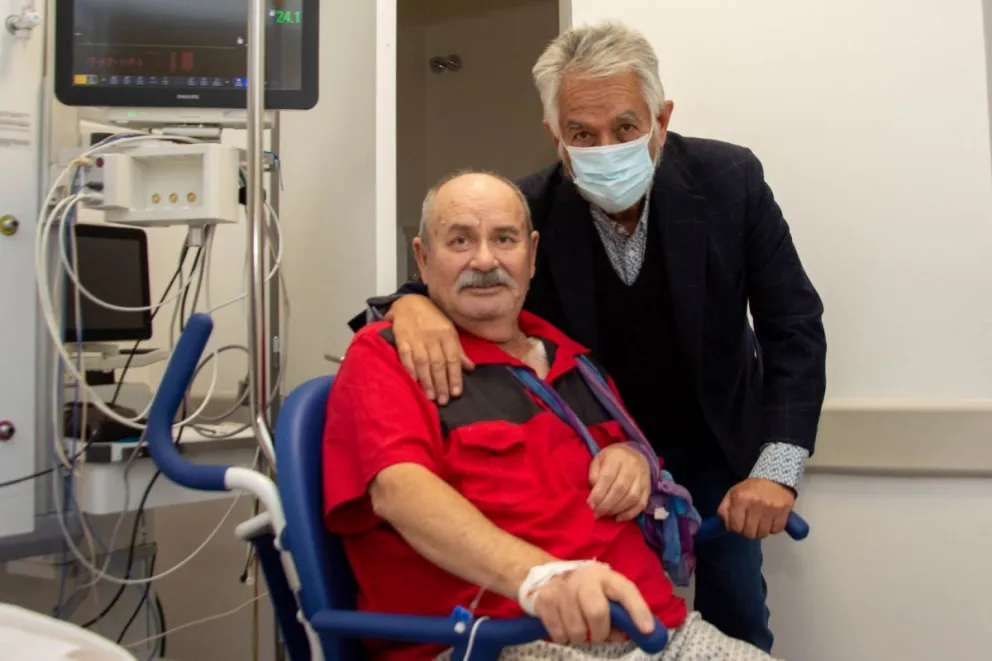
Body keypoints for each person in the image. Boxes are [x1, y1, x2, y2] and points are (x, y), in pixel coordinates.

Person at [348, 22, 826, 652]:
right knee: (595, 620)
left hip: (715, 440)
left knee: (734, 616)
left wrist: (777, 470)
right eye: (582, 134)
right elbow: (457, 274)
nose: (606, 147)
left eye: (626, 128)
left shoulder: (728, 180)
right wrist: (406, 308)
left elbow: (793, 326)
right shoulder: (529, 210)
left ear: (662, 117)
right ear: (556, 136)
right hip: (596, 455)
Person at [325, 171, 785, 661]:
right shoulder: (387, 357)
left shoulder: (576, 363)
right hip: (504, 641)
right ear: (422, 256)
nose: (485, 259)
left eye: (504, 239)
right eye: (460, 240)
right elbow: (400, 493)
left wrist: (633, 461)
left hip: (659, 629)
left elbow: (627, 457)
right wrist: (541, 579)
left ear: (532, 254)